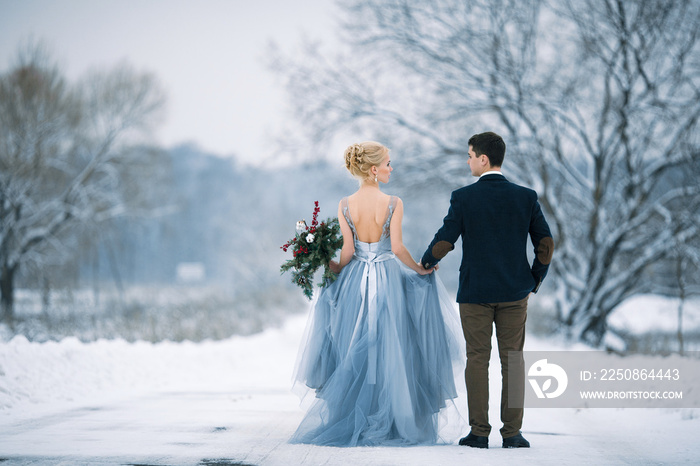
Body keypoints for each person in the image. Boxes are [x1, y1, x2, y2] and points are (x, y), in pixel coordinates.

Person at [289, 141, 464, 447]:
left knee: (354, 345)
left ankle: (357, 415)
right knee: (394, 346)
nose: (390, 168)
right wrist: (420, 269)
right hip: (387, 278)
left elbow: (344, 257)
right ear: (373, 169)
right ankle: (394, 418)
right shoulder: (394, 202)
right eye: (387, 163)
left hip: (355, 280)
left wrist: (320, 257)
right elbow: (396, 249)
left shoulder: (345, 204)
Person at [421, 132, 554, 449]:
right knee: (514, 360)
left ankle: (479, 433)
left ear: (483, 159)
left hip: (475, 293)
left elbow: (445, 240)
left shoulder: (464, 198)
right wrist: (534, 279)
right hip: (514, 292)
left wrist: (426, 261)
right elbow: (545, 244)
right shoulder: (526, 197)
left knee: (477, 360)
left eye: (469, 155)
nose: (467, 161)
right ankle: (513, 434)